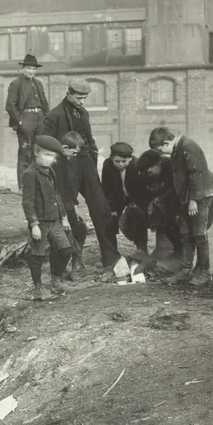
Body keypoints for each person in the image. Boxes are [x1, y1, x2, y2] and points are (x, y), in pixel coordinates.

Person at [41, 79, 123, 278]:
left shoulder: (84, 113)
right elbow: (45, 141)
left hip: (86, 164)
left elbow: (89, 138)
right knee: (70, 214)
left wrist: (92, 154)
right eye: (79, 98)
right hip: (66, 168)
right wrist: (61, 155)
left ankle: (110, 257)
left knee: (101, 208)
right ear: (68, 93)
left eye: (85, 98)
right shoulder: (54, 116)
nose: (82, 102)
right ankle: (70, 263)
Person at [148, 126, 213, 286]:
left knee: (199, 235)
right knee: (185, 234)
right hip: (185, 198)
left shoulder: (188, 146)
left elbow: (196, 174)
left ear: (166, 142)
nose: (163, 154)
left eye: (162, 150)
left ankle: (205, 272)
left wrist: (194, 200)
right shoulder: (178, 149)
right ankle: (186, 271)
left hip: (198, 197)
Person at [20, 135, 76, 300]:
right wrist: (34, 224)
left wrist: (64, 217)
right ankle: (38, 289)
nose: (50, 159)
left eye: (53, 156)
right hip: (41, 222)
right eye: (46, 155)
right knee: (37, 255)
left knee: (66, 250)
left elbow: (56, 195)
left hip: (55, 219)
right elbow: (27, 202)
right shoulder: (30, 173)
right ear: (36, 152)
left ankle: (56, 280)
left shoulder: (50, 170)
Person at [5, 54, 50, 191]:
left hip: (40, 120)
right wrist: (20, 121)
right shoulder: (16, 84)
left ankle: (37, 184)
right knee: (25, 153)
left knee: (39, 152)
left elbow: (44, 103)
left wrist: (46, 118)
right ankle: (23, 186)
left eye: (34, 69)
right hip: (26, 120)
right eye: (29, 68)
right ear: (23, 68)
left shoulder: (38, 83)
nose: (31, 71)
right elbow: (10, 105)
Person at [56, 132, 91, 275]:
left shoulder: (64, 161)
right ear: (65, 147)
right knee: (66, 235)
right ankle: (64, 269)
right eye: (73, 152)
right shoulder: (56, 163)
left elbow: (69, 187)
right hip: (60, 204)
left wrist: (74, 205)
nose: (74, 155)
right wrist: (64, 214)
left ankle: (75, 264)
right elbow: (60, 190)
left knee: (80, 229)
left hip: (68, 203)